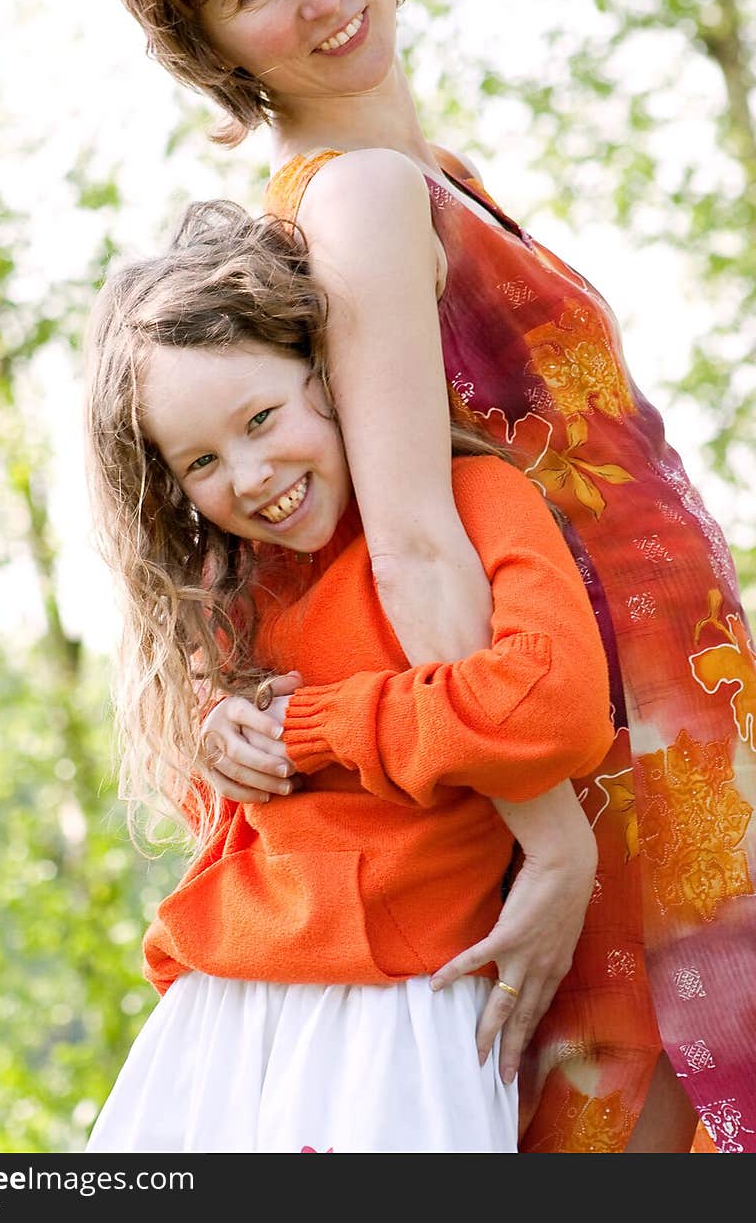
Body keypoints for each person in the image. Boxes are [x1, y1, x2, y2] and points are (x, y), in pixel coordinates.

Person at [106, 0, 756, 1152]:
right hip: (602, 754)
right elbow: (409, 537)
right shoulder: (356, 197)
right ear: (213, 46)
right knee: (638, 1107)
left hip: (671, 729)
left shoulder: (424, 176)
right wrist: (555, 836)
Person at [82, 197, 614, 1153]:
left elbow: (555, 708)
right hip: (222, 1011)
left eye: (261, 418)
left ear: (328, 373)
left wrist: (317, 726)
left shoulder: (470, 502)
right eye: (201, 460)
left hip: (400, 1015)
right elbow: (226, 823)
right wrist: (219, 736)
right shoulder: (226, 588)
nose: (247, 476)